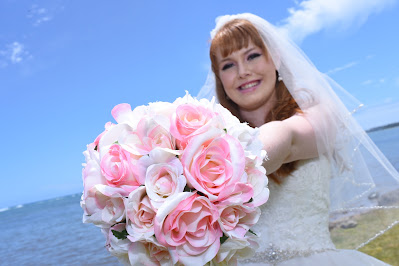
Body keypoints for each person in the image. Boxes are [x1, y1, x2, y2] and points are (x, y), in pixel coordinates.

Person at [197, 13, 399, 265]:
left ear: (275, 59)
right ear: (220, 79)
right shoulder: (208, 139)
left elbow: (287, 138)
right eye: (228, 65)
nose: (243, 71)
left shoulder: (319, 114)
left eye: (252, 55)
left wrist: (216, 170)